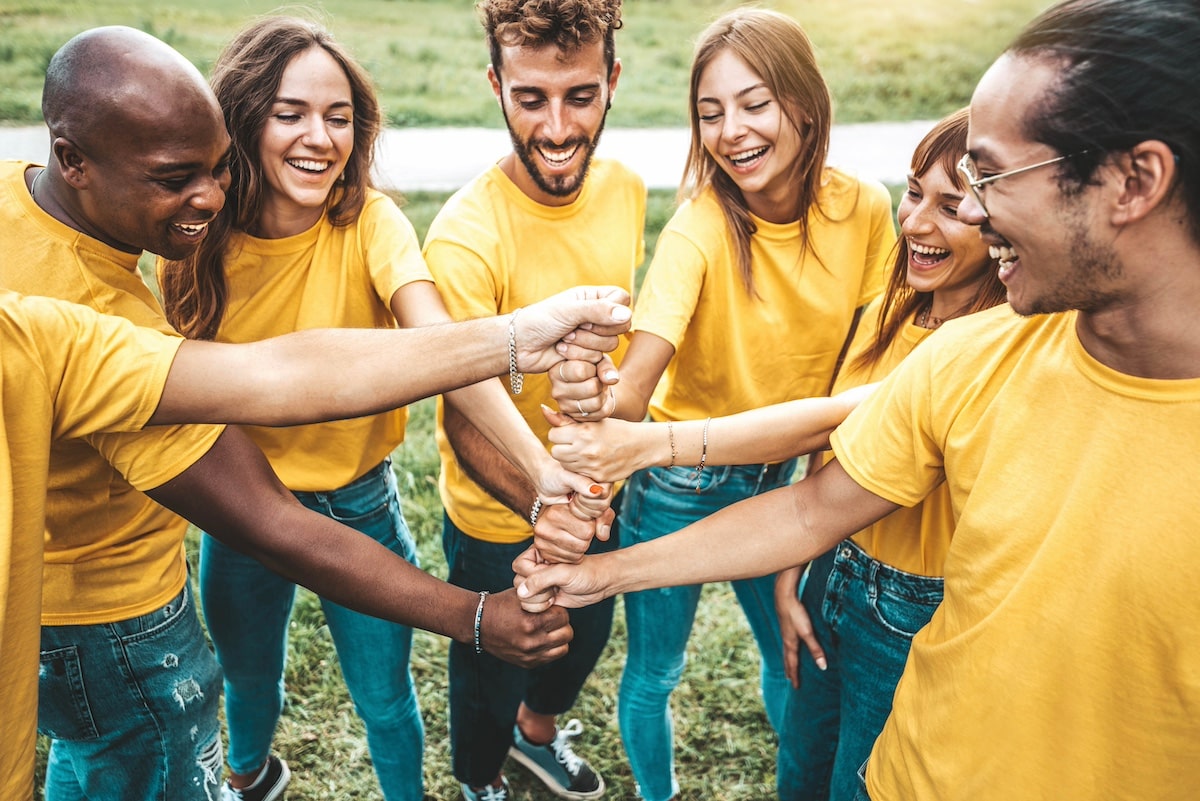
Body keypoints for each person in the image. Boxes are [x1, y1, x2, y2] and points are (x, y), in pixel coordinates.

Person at [516, 1, 1200, 799]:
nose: (969, 211)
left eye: (991, 177)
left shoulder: (903, 266)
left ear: (1135, 180)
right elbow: (812, 512)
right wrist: (604, 570)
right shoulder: (970, 355)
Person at [0, 25, 627, 801]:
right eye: (290, 113)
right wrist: (473, 612)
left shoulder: (347, 222)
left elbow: (417, 342)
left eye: (339, 116)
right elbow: (270, 436)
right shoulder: (169, 259)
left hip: (353, 502)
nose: (319, 137)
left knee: (383, 695)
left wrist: (538, 469)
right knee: (244, 680)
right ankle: (247, 773)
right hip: (219, 534)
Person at [547, 9, 893, 801]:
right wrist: (599, 397)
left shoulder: (867, 210)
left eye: (754, 103)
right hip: (680, 483)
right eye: (710, 113)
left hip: (790, 478)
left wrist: (814, 489)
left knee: (793, 656)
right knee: (656, 670)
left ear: (804, 104)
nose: (730, 131)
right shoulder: (701, 226)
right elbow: (637, 379)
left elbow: (858, 378)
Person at [420, 1, 645, 799]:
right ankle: (482, 780)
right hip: (497, 519)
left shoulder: (623, 187)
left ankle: (537, 735)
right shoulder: (465, 238)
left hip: (594, 496)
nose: (556, 127)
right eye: (530, 98)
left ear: (613, 82)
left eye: (580, 96)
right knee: (492, 667)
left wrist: (591, 497)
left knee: (583, 639)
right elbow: (464, 419)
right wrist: (555, 508)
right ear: (495, 86)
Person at [772, 107, 1007, 801]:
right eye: (912, 193)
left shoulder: (994, 345)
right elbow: (826, 448)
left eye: (952, 207)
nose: (915, 224)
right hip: (832, 568)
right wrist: (794, 573)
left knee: (860, 785)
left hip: (913, 610)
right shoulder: (891, 308)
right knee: (800, 773)